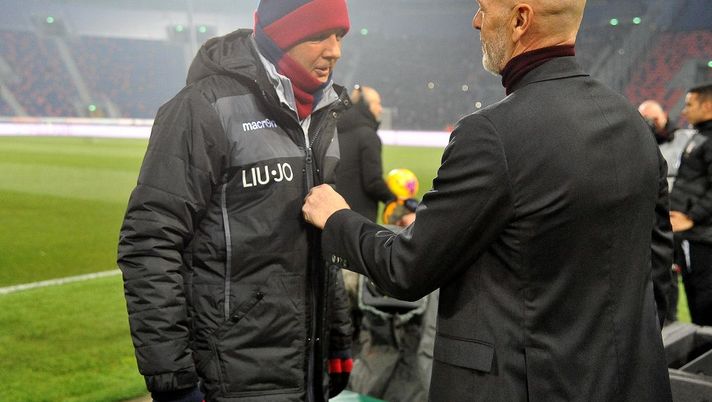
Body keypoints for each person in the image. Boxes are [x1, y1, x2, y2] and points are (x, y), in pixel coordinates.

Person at [303, 0, 674, 400]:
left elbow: (407, 269)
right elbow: (658, 272)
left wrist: (338, 218)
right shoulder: (633, 123)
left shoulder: (492, 134)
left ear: (519, 19)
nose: (476, 21)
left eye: (483, 8)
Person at [117, 1, 354, 401]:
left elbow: (320, 243)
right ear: (282, 35)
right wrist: (172, 376)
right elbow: (149, 241)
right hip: (228, 376)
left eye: (340, 35)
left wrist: (338, 334)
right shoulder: (202, 108)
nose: (335, 50)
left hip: (306, 367)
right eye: (319, 35)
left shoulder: (322, 115)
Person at [638, 99, 695, 325]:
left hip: (681, 217)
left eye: (654, 119)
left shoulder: (684, 140)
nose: (651, 124)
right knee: (660, 270)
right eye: (646, 120)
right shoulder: (640, 142)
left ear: (663, 116)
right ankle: (663, 323)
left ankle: (675, 327)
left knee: (682, 274)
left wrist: (689, 212)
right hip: (653, 217)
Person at [669, 82, 712, 327]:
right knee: (696, 294)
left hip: (703, 237)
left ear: (708, 105)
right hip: (694, 235)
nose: (684, 111)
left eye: (689, 104)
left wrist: (692, 216)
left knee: (704, 301)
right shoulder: (701, 135)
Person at [335, 85, 395, 222]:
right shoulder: (368, 136)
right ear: (366, 105)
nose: (380, 109)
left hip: (335, 213)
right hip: (360, 219)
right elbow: (373, 182)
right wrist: (394, 198)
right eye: (377, 103)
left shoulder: (335, 131)